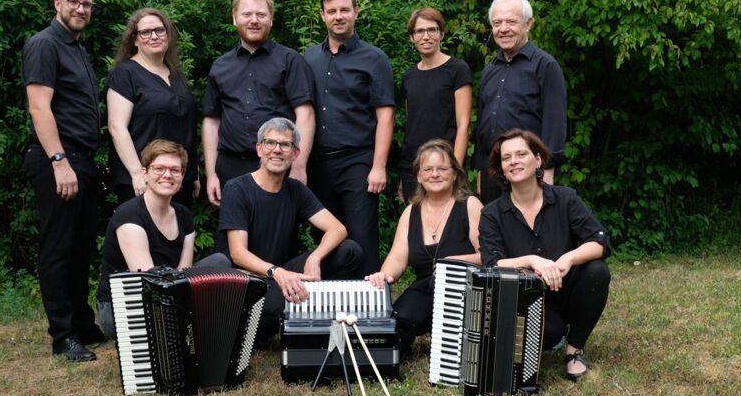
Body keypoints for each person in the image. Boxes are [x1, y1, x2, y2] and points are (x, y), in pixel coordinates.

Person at [478, 129, 610, 381]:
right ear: (501, 168)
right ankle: (558, 333)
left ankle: (574, 351)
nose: (514, 161)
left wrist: (567, 259)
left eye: (521, 154)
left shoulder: (565, 198)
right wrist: (531, 260)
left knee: (597, 271)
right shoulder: (492, 214)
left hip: (566, 286)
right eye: (506, 158)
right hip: (528, 297)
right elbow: (491, 263)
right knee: (550, 333)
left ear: (537, 160)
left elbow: (601, 242)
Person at [217, 117, 363, 344]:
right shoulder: (237, 188)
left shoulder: (296, 190)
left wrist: (315, 257)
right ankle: (299, 312)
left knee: (349, 250)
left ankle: (308, 307)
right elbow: (238, 253)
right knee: (282, 306)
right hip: (250, 280)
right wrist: (278, 273)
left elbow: (337, 228)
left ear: (295, 154)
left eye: (285, 145)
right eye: (270, 143)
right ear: (259, 149)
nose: (277, 150)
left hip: (287, 273)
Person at [23, 0, 103, 362]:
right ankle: (63, 335)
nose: (81, 9)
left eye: (87, 4)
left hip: (82, 159)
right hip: (58, 158)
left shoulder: (77, 47)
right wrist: (59, 161)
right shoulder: (44, 44)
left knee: (81, 246)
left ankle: (82, 323)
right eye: (74, 2)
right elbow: (39, 107)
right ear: (57, 3)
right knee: (58, 249)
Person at [304, 0, 395, 274]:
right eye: (332, 11)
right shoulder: (308, 58)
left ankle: (370, 311)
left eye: (344, 9)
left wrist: (378, 166)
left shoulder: (374, 59)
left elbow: (385, 116)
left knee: (363, 237)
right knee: (325, 238)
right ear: (322, 15)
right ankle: (331, 305)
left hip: (357, 161)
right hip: (318, 165)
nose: (338, 16)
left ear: (356, 12)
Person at [366, 139, 482, 357]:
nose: (435, 174)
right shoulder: (411, 211)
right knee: (396, 323)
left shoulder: (470, 205)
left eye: (442, 168)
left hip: (464, 289)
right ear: (419, 176)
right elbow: (398, 258)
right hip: (425, 286)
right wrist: (383, 276)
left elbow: (490, 257)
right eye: (428, 169)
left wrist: (453, 262)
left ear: (455, 174)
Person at [202, 0, 315, 209]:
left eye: (261, 15)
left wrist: (299, 166)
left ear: (271, 20)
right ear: (235, 19)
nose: (254, 20)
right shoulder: (220, 66)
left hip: (276, 163)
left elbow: (306, 114)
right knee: (232, 237)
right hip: (230, 166)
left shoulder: (290, 61)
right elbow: (211, 120)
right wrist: (211, 173)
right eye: (247, 14)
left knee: (276, 238)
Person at [96, 140, 195, 340]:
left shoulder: (184, 215)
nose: (167, 175)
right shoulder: (130, 216)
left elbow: (185, 272)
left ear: (182, 176)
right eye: (159, 168)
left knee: (219, 262)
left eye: (175, 170)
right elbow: (148, 282)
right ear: (144, 174)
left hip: (169, 290)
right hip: (124, 306)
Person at [474, 0, 567, 205]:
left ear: (528, 24)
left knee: (528, 230)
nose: (503, 28)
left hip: (528, 169)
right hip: (492, 170)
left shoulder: (545, 66)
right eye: (497, 23)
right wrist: (480, 168)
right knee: (494, 232)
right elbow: (482, 122)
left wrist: (548, 169)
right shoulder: (490, 70)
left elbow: (555, 121)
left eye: (511, 22)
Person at [106, 8, 198, 207]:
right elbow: (116, 127)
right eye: (145, 32)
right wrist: (138, 173)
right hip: (144, 181)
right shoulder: (125, 74)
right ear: (135, 40)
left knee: (176, 236)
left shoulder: (176, 76)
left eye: (159, 30)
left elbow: (186, 126)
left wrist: (193, 173)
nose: (154, 36)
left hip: (178, 179)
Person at [399, 8, 472, 203]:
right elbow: (412, 122)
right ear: (412, 38)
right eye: (419, 31)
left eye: (432, 30)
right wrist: (407, 174)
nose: (426, 36)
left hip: (444, 165)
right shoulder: (408, 76)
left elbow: (463, 125)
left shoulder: (457, 70)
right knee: (416, 225)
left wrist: (456, 169)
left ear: (441, 34)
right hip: (414, 166)